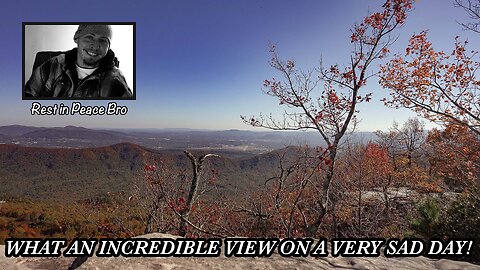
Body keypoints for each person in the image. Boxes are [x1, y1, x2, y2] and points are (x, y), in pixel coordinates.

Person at [25, 25, 132, 98]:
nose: (95, 45)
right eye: (90, 37)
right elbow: (27, 98)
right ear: (77, 38)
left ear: (108, 47)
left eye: (103, 40)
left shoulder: (116, 80)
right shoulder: (53, 65)